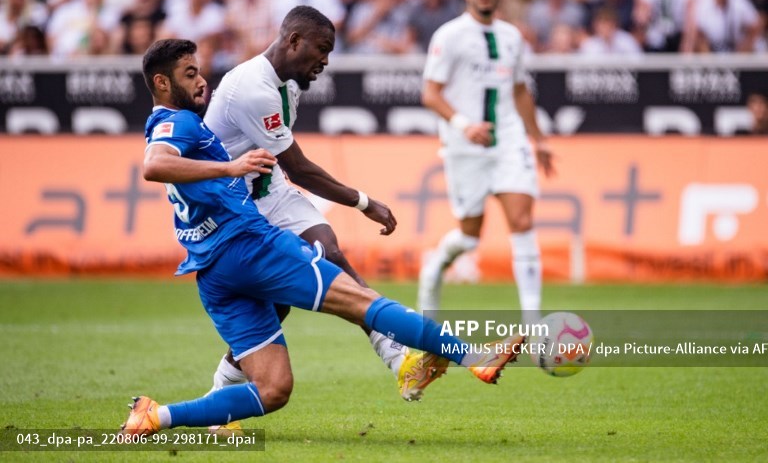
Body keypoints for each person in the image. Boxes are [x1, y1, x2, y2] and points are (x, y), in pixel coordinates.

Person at [120, 38, 524, 434]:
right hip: (250, 246)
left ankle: (157, 417)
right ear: (161, 83)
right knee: (362, 300)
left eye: (199, 71)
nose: (201, 81)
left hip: (214, 271)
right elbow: (154, 166)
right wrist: (231, 168)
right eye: (189, 74)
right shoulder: (181, 120)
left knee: (274, 388)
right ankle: (474, 357)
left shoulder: (171, 124)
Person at [203, 5, 436, 408]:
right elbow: (299, 168)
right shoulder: (252, 88)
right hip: (231, 201)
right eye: (322, 49)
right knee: (276, 305)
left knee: (326, 252)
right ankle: (218, 396)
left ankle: (397, 357)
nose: (326, 61)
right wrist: (364, 202)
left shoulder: (287, 83)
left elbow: (281, 164)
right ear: (294, 41)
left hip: (265, 184)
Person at [418, 0, 554, 325]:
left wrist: (538, 140)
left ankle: (533, 325)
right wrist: (464, 125)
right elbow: (430, 94)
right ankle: (434, 268)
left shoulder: (512, 36)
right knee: (469, 238)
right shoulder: (449, 36)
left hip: (508, 139)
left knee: (522, 221)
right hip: (465, 147)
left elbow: (521, 90)